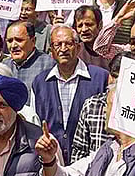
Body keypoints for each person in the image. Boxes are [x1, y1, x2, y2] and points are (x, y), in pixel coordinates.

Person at [33, 26, 108, 161]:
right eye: (58, 44)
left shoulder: (100, 78)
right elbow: (35, 124)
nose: (63, 49)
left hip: (91, 161)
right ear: (51, 52)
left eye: (69, 44)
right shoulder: (40, 82)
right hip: (52, 162)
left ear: (78, 48)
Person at [70, 52, 124, 163]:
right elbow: (79, 149)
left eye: (121, 77)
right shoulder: (92, 105)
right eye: (113, 75)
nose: (115, 81)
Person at [6, 20, 55, 92]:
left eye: (19, 40)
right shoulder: (4, 66)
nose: (13, 46)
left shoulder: (48, 65)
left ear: (33, 41)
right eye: (10, 41)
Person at [73, 5, 109, 70]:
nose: (84, 29)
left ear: (100, 25)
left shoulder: (110, 50)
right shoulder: (74, 52)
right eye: (80, 26)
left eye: (89, 24)